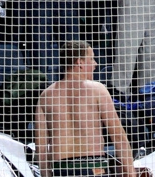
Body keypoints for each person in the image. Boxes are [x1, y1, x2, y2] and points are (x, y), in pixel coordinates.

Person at [35, 40, 135, 177]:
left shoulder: (46, 96)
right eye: (91, 59)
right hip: (93, 167)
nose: (95, 64)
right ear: (79, 62)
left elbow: (41, 147)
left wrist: (45, 175)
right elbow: (118, 136)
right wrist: (131, 173)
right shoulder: (97, 89)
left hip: (61, 170)